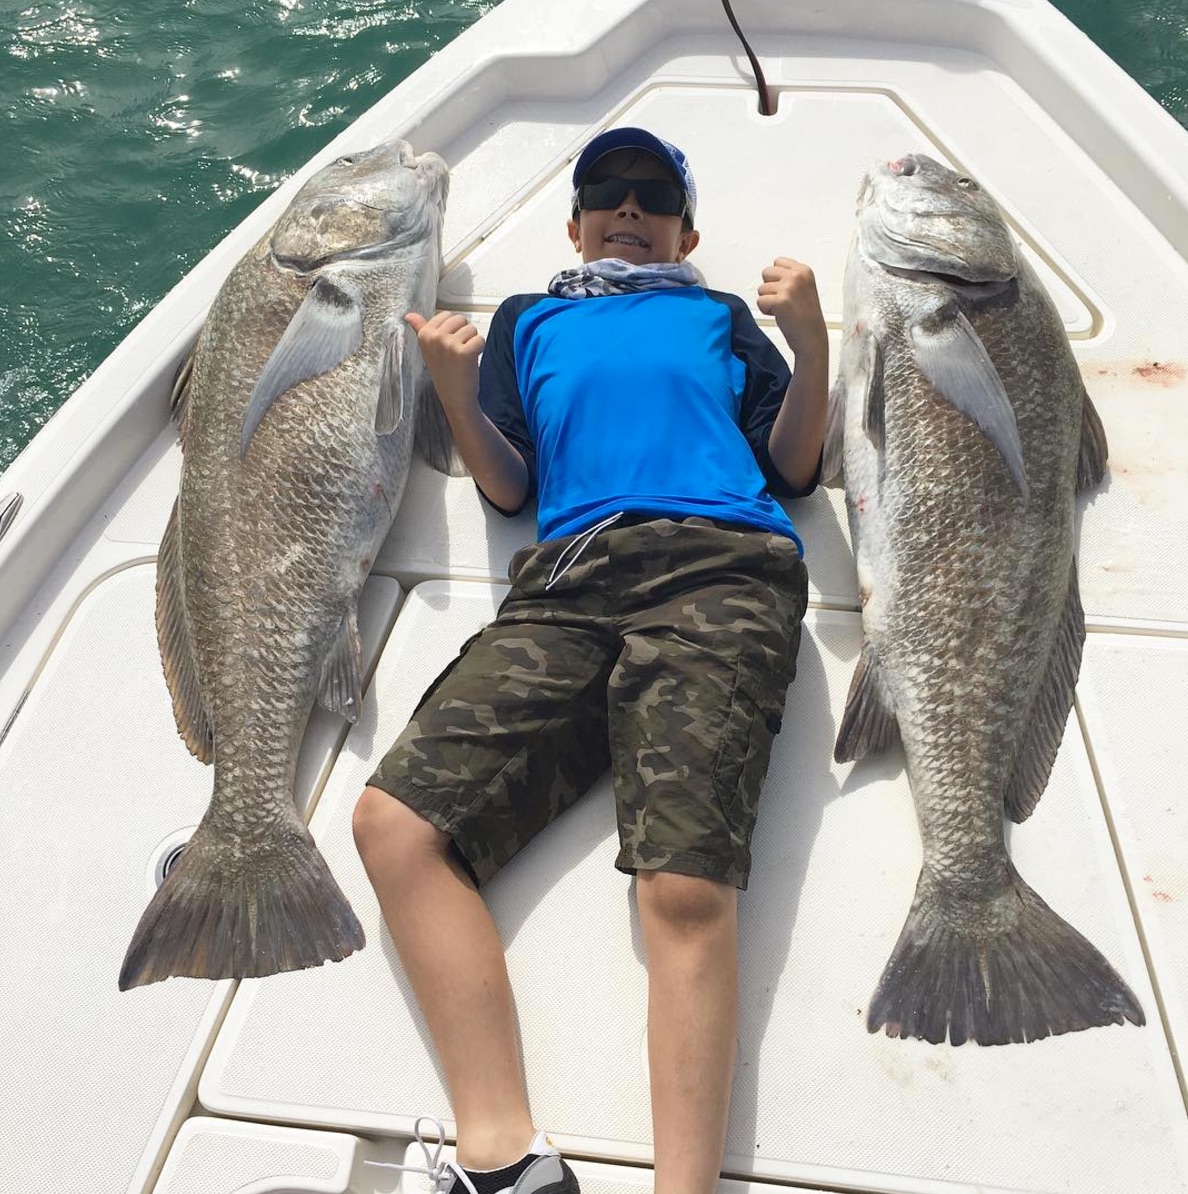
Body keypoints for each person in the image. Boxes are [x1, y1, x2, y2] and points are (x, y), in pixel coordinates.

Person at [353, 127, 828, 1194]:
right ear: (573, 222)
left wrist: (812, 349)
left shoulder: (719, 316)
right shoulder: (530, 319)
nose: (628, 205)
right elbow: (509, 488)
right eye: (605, 191)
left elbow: (794, 468)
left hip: (722, 568)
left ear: (686, 230)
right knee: (395, 825)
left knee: (685, 886)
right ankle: (505, 1156)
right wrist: (454, 391)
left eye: (653, 193)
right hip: (569, 579)